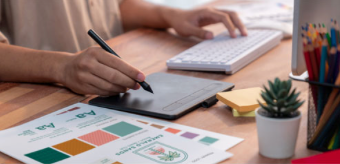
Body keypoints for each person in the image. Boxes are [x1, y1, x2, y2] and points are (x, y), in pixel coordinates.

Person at [0, 0, 247, 96]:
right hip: (35, 102)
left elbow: (109, 8)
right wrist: (62, 68)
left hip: (99, 93)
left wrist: (169, 14)